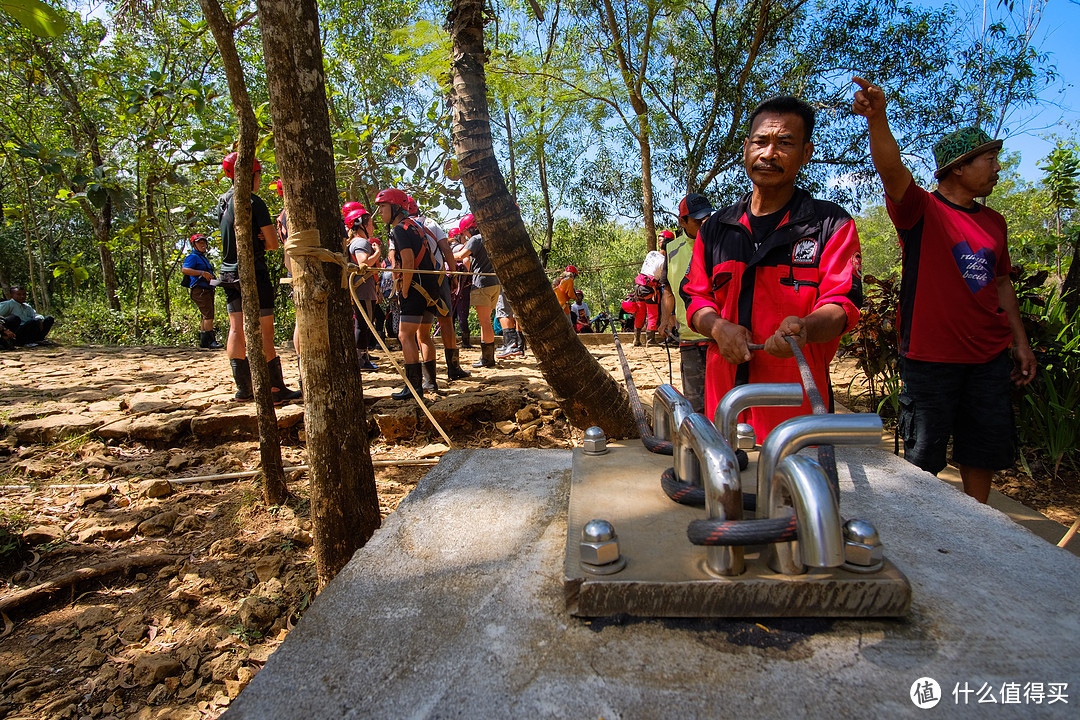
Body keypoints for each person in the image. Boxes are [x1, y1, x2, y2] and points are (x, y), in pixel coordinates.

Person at [852, 77, 1036, 503]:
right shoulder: (920, 209)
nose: (997, 167)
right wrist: (877, 118)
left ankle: (979, 528)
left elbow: (1002, 283)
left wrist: (1020, 343)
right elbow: (892, 169)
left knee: (982, 451)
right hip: (930, 358)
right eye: (989, 159)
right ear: (958, 166)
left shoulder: (995, 223)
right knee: (923, 458)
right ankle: (926, 533)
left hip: (988, 358)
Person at [680, 95, 863, 439]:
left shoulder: (830, 225)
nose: (769, 153)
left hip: (798, 421)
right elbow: (696, 298)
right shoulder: (717, 228)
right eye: (761, 141)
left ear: (806, 154)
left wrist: (806, 327)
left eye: (785, 143)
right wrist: (719, 327)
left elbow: (843, 305)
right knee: (723, 488)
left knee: (795, 492)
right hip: (726, 411)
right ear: (746, 148)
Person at [216, 152, 302, 404]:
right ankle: (275, 388)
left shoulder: (223, 202)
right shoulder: (254, 202)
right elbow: (273, 243)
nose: (260, 179)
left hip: (228, 272)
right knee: (265, 331)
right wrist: (263, 240)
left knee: (236, 328)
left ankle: (244, 388)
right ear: (248, 175)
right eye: (258, 174)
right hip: (253, 271)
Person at [376, 187, 442, 398]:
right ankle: (430, 383)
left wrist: (404, 290)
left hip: (415, 287)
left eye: (383, 206)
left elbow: (407, 260)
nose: (380, 212)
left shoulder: (399, 230)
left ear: (395, 207)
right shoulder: (415, 226)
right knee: (424, 335)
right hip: (429, 286)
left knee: (405, 335)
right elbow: (430, 258)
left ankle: (413, 387)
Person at [658, 194, 715, 413]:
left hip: (716, 338)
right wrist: (665, 319)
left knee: (722, 401)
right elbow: (669, 290)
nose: (704, 224)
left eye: (707, 218)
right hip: (688, 338)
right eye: (697, 221)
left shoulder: (719, 244)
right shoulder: (672, 251)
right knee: (695, 402)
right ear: (682, 222)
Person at [407, 196, 470, 386]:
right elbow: (446, 249)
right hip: (439, 277)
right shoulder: (431, 223)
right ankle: (454, 368)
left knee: (423, 330)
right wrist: (453, 274)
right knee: (446, 321)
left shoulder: (402, 228)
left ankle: (429, 380)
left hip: (417, 281)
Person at [454, 213, 501, 368]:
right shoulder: (492, 238)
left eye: (465, 232)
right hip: (495, 283)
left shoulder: (476, 239)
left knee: (485, 322)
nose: (465, 236)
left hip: (482, 284)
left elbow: (461, 256)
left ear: (471, 228)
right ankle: (486, 357)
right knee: (485, 322)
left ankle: (488, 359)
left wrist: (444, 255)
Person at [344, 205, 381, 371]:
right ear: (361, 226)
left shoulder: (354, 242)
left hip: (362, 289)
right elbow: (363, 263)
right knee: (363, 324)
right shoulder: (360, 242)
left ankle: (362, 357)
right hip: (363, 290)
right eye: (371, 224)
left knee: (363, 323)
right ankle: (361, 359)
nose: (373, 227)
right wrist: (378, 253)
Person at [181, 234, 223, 349]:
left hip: (207, 289)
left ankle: (204, 342)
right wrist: (201, 273)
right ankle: (211, 341)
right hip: (200, 290)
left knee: (206, 315)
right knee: (208, 314)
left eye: (204, 243)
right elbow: (184, 270)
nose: (203, 245)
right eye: (200, 243)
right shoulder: (193, 257)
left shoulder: (202, 257)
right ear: (194, 245)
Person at [623, 244, 666, 346]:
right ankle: (650, 341)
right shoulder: (664, 261)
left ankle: (636, 339)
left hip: (639, 287)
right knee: (652, 314)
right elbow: (660, 277)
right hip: (650, 289)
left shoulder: (652, 253)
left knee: (640, 314)